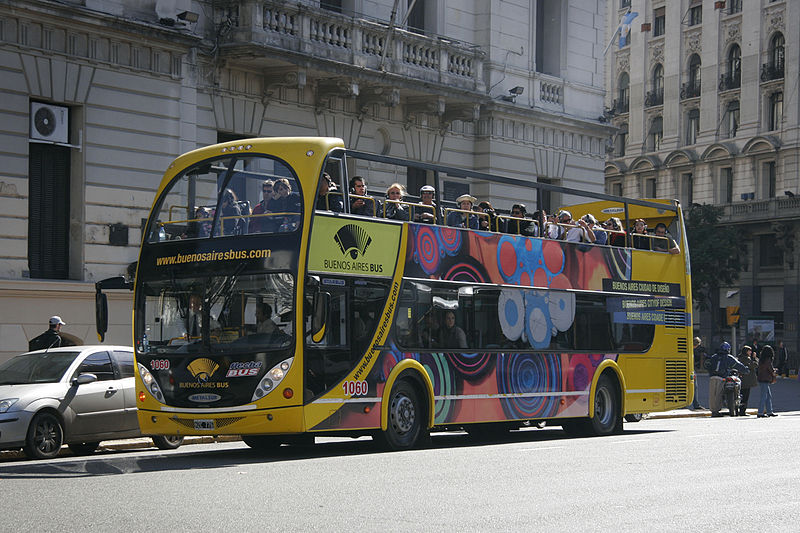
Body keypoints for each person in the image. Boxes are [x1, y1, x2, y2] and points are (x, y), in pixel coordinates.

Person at [704, 341, 748, 417]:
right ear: (728, 349)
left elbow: (707, 364)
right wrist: (746, 370)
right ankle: (716, 411)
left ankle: (713, 410)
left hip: (712, 377)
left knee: (712, 395)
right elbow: (738, 365)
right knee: (718, 394)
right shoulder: (728, 357)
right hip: (721, 377)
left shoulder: (714, 356)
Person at [756, 345, 778, 417]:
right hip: (765, 379)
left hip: (761, 379)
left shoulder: (762, 359)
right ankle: (760, 412)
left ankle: (769, 411)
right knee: (764, 396)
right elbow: (770, 369)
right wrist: (774, 371)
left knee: (768, 396)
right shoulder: (768, 360)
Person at [690, 336, 706, 410]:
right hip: (690, 370)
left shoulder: (689, 348)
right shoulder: (691, 350)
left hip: (690, 369)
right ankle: (696, 404)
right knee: (694, 387)